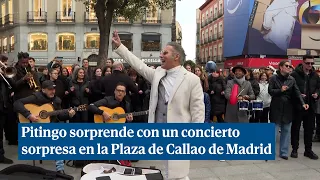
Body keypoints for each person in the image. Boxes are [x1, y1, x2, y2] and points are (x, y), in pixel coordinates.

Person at [111, 30, 204, 180]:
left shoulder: (192, 79)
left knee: (179, 172)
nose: (161, 55)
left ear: (176, 56)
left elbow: (198, 109)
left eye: (165, 53)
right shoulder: (158, 73)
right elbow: (139, 65)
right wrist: (120, 46)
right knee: (169, 168)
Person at [13, 80, 76, 174]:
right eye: (50, 89)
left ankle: (60, 168)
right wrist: (29, 115)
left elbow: (59, 116)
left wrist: (69, 115)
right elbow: (17, 103)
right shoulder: (36, 97)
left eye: (54, 89)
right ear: (43, 90)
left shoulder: (57, 100)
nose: (53, 91)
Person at [268, 60, 308, 160]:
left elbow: (297, 92)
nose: (289, 68)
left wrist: (303, 103)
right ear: (281, 67)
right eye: (287, 66)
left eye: (290, 66)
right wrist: (280, 90)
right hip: (276, 106)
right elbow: (270, 91)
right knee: (274, 131)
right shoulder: (273, 78)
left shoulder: (292, 79)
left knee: (286, 130)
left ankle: (284, 152)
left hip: (288, 107)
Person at [88, 82, 133, 166]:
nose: (120, 93)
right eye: (118, 90)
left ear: (125, 93)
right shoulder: (107, 100)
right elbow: (91, 106)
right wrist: (102, 113)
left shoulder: (127, 104)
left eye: (122, 91)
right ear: (114, 91)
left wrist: (129, 121)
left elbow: (124, 122)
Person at [290, 56, 320, 160]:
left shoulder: (315, 75)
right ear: (302, 62)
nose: (310, 65)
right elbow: (290, 89)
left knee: (309, 129)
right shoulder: (294, 74)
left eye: (312, 63)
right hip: (298, 106)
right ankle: (294, 149)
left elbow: (318, 87)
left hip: (310, 105)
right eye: (308, 63)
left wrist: (317, 94)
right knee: (296, 128)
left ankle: (308, 150)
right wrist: (298, 95)